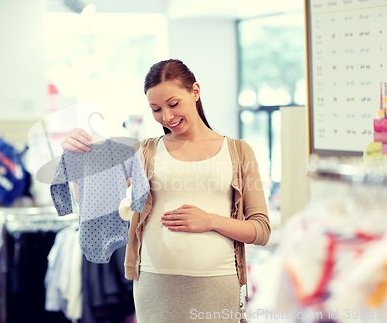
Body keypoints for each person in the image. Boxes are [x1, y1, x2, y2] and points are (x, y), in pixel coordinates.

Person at [61, 59, 271, 322]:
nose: (167, 117)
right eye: (156, 109)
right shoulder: (145, 152)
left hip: (218, 283)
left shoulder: (238, 151)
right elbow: (90, 202)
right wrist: (76, 159)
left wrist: (210, 221)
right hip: (155, 286)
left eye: (173, 104)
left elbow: (261, 230)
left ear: (195, 91)